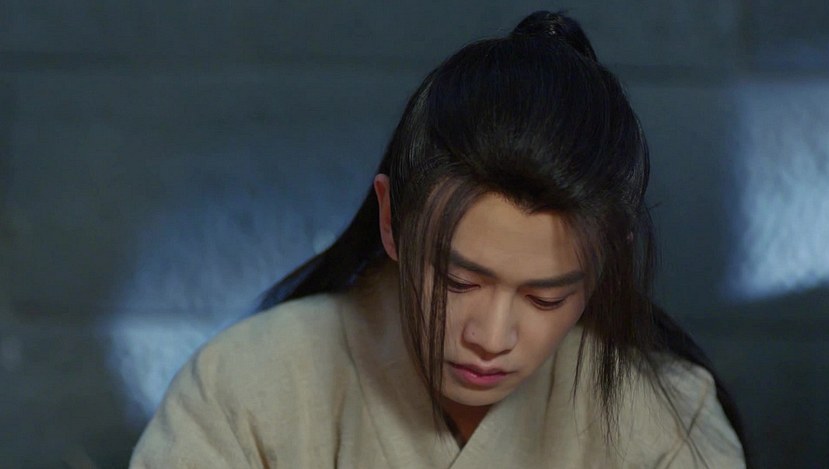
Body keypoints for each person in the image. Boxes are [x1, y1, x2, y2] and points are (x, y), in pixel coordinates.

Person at [130, 10, 751, 468]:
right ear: (390, 218)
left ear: (607, 260)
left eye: (545, 298)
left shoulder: (665, 420)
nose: (491, 337)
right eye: (458, 280)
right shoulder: (246, 387)